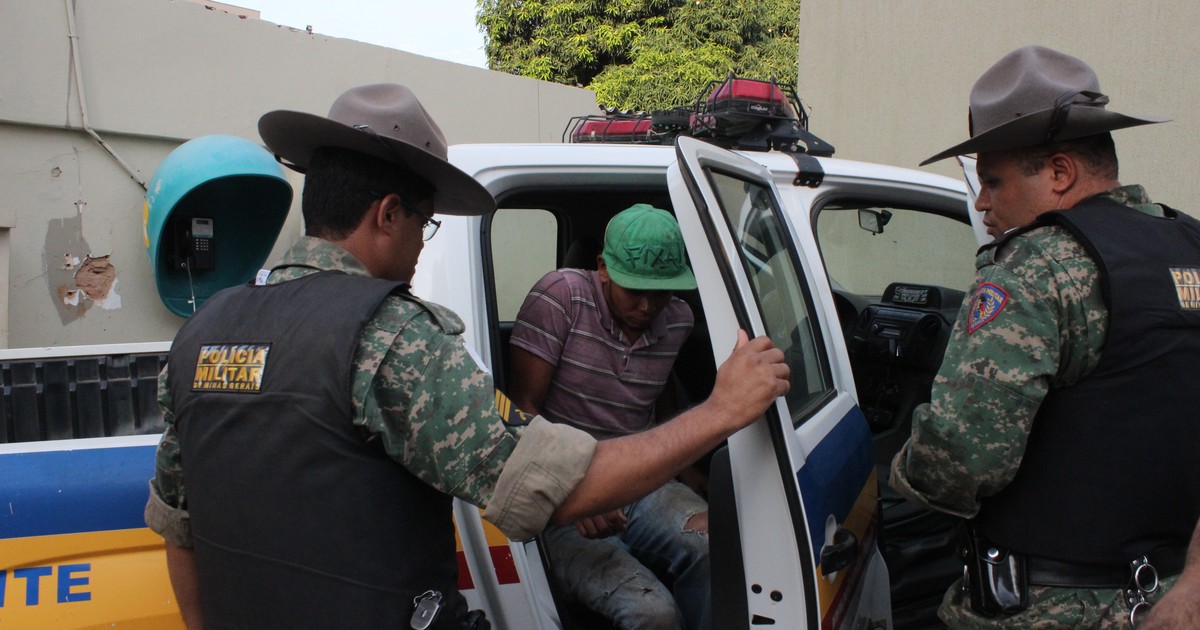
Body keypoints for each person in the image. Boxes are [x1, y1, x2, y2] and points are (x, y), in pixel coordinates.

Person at [143, 83, 791, 630]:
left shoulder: (203, 333)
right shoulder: (388, 337)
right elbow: (551, 486)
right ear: (388, 215)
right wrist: (722, 411)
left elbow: (180, 534)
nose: (422, 248)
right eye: (425, 225)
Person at [889, 45, 1200, 628]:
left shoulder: (1036, 268)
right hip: (1171, 598)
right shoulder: (1189, 248)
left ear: (1060, 172)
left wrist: (901, 476)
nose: (981, 204)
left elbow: (963, 456)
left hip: (1047, 606)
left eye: (994, 182)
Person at [509, 204, 709, 629]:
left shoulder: (677, 320)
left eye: (662, 292)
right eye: (634, 289)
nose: (647, 306)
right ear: (602, 267)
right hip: (559, 492)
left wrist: (684, 464)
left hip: (639, 481)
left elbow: (661, 386)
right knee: (652, 613)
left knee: (717, 547)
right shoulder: (560, 298)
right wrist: (573, 492)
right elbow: (522, 409)